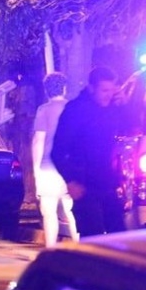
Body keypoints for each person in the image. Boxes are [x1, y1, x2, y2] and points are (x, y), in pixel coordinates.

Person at [51, 66, 127, 237]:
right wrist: (70, 181)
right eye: (104, 90)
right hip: (84, 184)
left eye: (112, 90)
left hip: (108, 183)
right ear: (91, 88)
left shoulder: (112, 109)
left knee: (121, 236)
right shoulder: (75, 110)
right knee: (93, 239)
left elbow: (128, 130)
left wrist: (124, 107)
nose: (108, 94)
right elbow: (58, 150)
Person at [31, 72, 79, 247]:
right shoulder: (73, 109)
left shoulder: (43, 110)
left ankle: (50, 250)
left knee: (49, 211)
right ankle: (81, 249)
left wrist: (36, 170)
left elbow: (39, 140)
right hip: (70, 168)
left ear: (46, 91)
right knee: (72, 210)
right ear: (64, 88)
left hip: (47, 167)